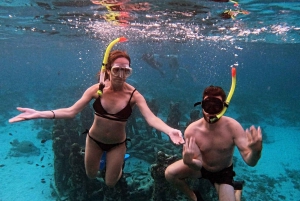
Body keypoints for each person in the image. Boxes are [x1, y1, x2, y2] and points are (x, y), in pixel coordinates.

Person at [9, 50, 185, 188]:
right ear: (108, 70)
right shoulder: (96, 89)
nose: (121, 75)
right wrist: (39, 113)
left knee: (110, 182)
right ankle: (104, 160)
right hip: (93, 141)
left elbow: (151, 118)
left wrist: (169, 130)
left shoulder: (134, 95)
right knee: (91, 174)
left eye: (126, 71)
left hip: (118, 144)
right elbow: (71, 111)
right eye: (117, 70)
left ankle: (119, 162)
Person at [165, 86, 262, 201]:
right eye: (208, 105)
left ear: (224, 106)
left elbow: (250, 162)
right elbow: (199, 164)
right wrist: (189, 161)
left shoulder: (233, 127)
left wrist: (256, 151)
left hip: (223, 172)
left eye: (216, 106)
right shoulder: (192, 131)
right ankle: (194, 197)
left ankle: (237, 191)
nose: (211, 111)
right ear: (202, 105)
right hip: (201, 168)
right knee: (170, 174)